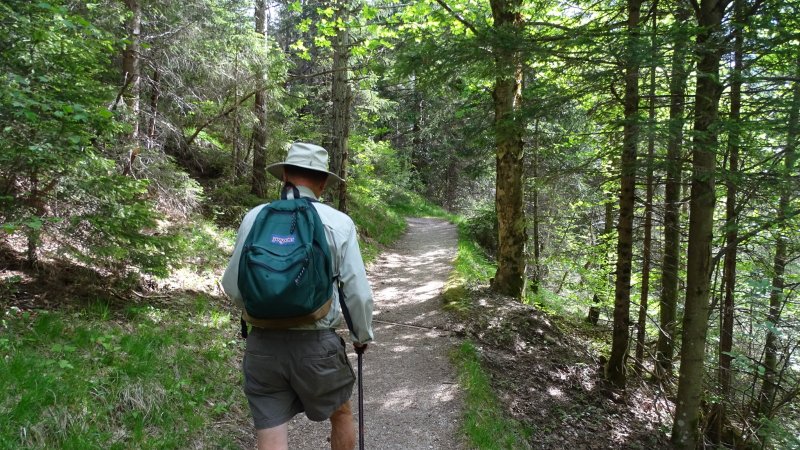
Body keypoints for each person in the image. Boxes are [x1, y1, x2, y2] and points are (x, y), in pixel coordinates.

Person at [221, 142, 374, 450]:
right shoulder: (339, 223)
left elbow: (232, 285)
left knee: (270, 428)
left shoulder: (255, 217)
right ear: (322, 182)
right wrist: (361, 335)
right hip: (318, 346)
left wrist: (263, 313)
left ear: (285, 176)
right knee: (341, 413)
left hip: (262, 346)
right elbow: (357, 291)